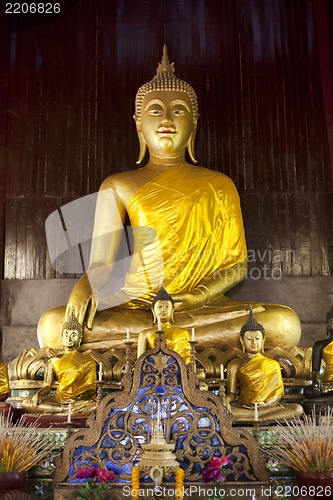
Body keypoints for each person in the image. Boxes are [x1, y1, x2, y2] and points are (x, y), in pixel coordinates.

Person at [37, 46, 301, 353]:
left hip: (201, 308)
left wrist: (200, 295)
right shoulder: (119, 184)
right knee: (53, 326)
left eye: (178, 110)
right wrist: (84, 288)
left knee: (283, 324)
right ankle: (173, 344)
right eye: (154, 110)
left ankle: (152, 344)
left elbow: (238, 265)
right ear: (138, 123)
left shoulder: (219, 184)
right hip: (138, 307)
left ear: (194, 123)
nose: (166, 117)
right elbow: (100, 263)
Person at [225, 308, 303, 422]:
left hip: (267, 408)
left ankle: (257, 419)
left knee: (297, 409)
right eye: (249, 339)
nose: (253, 342)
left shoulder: (273, 364)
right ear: (242, 341)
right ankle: (254, 417)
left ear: (263, 340)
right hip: (244, 407)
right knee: (224, 410)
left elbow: (279, 394)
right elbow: (231, 393)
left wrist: (265, 404)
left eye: (257, 338)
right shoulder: (234, 365)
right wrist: (225, 401)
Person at [22, 311, 97, 416]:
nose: (69, 338)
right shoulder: (53, 360)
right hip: (59, 400)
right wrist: (38, 394)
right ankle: (65, 411)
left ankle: (60, 411)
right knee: (26, 403)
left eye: (73, 335)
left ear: (79, 338)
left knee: (96, 405)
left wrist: (79, 399)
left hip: (79, 401)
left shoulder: (88, 361)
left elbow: (91, 388)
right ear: (62, 337)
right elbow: (48, 386)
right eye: (66, 334)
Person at [137, 287, 191, 363]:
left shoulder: (182, 332)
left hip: (178, 369)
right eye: (160, 307)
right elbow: (140, 362)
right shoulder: (145, 334)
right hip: (153, 370)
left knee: (200, 374)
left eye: (167, 307)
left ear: (172, 310)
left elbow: (186, 359)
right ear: (153, 310)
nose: (163, 310)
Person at [304, 303, 333, 398]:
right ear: (326, 325)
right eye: (331, 321)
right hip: (327, 383)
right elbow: (315, 370)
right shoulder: (319, 345)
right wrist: (315, 381)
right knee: (308, 391)